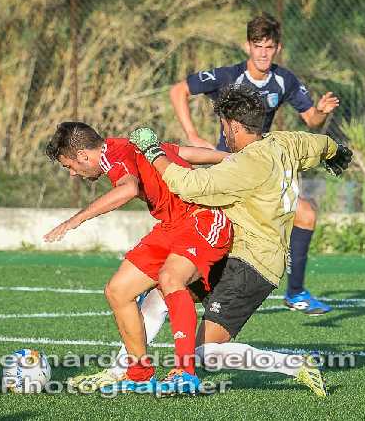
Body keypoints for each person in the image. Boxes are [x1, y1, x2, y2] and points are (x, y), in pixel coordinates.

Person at [128, 84, 352, 397]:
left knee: (206, 353)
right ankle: (125, 371)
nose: (224, 135)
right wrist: (336, 152)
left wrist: (154, 153)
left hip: (250, 267)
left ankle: (295, 364)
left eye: (223, 127)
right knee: (160, 293)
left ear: (233, 125)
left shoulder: (246, 164)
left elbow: (189, 185)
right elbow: (320, 143)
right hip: (231, 255)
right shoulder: (284, 142)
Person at [43, 122, 232, 395]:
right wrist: (230, 158)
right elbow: (181, 153)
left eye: (69, 166)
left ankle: (185, 372)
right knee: (118, 291)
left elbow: (128, 189)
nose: (73, 174)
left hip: (200, 219)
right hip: (171, 226)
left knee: (170, 279)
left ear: (84, 155)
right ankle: (140, 374)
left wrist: (76, 219)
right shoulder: (123, 147)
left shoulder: (113, 156)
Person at [170, 13, 338, 315]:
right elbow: (178, 90)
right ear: (248, 46)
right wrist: (193, 135)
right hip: (230, 169)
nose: (263, 53)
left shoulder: (284, 80)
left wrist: (322, 112)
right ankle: (162, 287)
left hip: (265, 168)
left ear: (278, 48)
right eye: (258, 45)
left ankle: (296, 293)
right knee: (206, 233)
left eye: (269, 47)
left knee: (307, 214)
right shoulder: (228, 76)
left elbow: (311, 119)